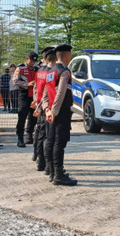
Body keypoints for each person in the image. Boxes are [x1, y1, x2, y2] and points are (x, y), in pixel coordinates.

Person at [43, 44, 77, 186]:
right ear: (66, 55)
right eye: (70, 54)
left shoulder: (50, 71)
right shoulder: (64, 71)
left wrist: (47, 110)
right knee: (59, 142)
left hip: (51, 111)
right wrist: (55, 112)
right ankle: (58, 175)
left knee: (50, 140)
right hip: (61, 111)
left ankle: (51, 171)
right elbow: (61, 93)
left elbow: (45, 93)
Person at [32, 46, 56, 170]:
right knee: (47, 135)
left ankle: (37, 156)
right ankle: (44, 162)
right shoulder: (50, 72)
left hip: (40, 104)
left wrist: (36, 102)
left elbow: (36, 88)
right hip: (46, 106)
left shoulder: (39, 71)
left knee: (40, 132)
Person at [15, 52, 39, 147]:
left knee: (33, 117)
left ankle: (29, 137)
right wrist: (27, 84)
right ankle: (20, 138)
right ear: (27, 59)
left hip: (34, 96)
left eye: (34, 61)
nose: (33, 63)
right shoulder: (20, 68)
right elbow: (15, 80)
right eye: (31, 61)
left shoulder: (37, 69)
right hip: (24, 95)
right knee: (22, 116)